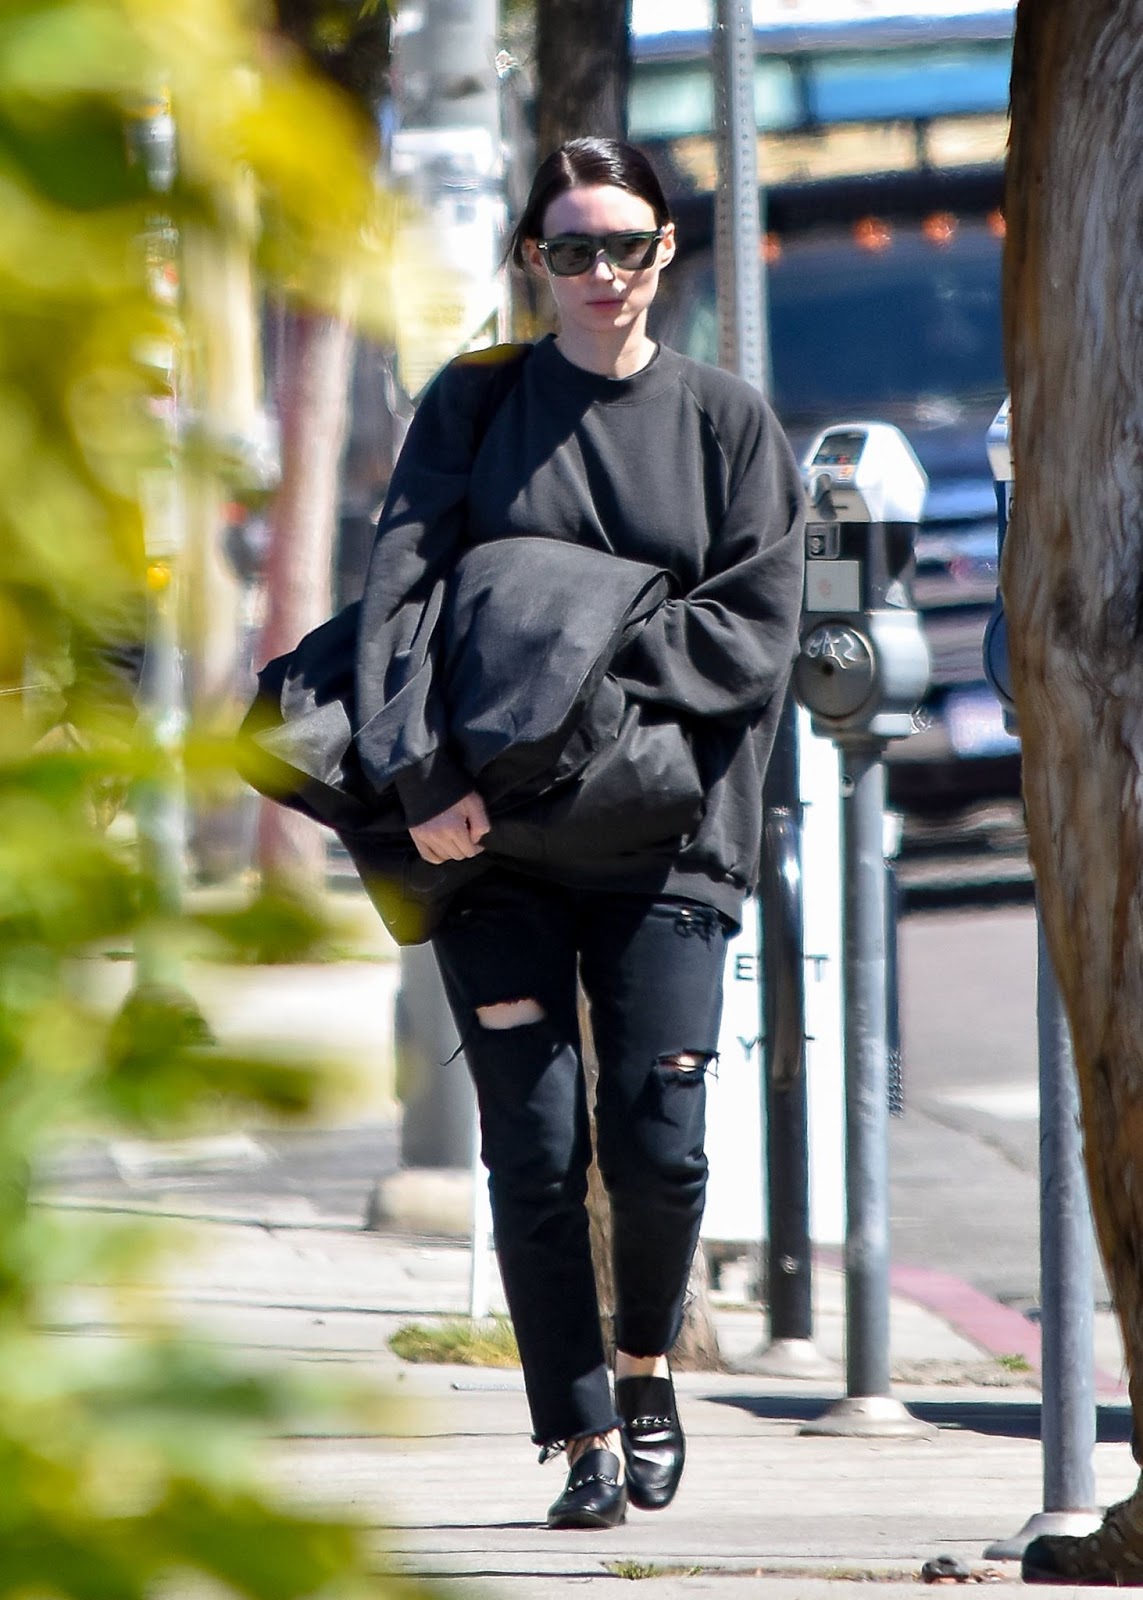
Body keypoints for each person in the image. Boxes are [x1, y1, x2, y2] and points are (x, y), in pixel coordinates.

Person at [356, 137, 806, 1529]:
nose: (600, 273)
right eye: (570, 249)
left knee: (661, 1138)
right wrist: (425, 780)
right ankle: (582, 1436)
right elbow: (401, 606)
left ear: (667, 251)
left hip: (674, 836)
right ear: (533, 263)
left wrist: (556, 634)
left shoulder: (728, 424)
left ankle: (646, 1361)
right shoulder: (477, 407)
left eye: (624, 245)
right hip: (487, 839)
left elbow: (754, 636)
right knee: (535, 1145)